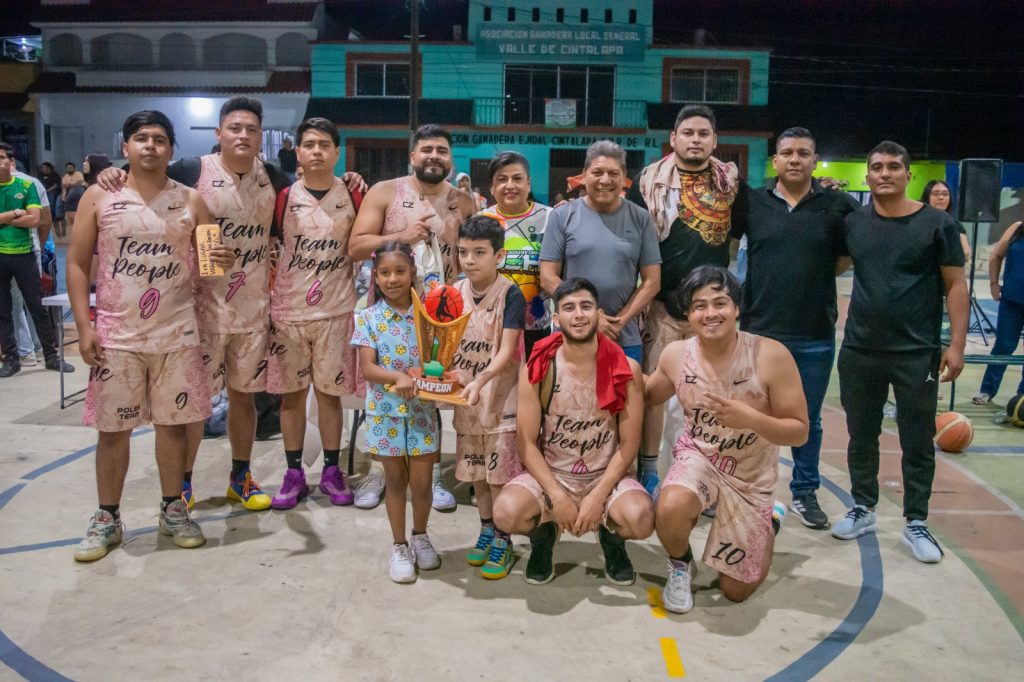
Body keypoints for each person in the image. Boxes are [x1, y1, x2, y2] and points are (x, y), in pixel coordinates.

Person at [67, 110, 235, 562]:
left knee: (174, 427)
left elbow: (210, 267)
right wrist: (84, 326)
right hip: (116, 335)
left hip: (177, 334)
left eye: (160, 139)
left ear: (171, 149)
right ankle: (107, 517)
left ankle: (173, 509)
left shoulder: (191, 200)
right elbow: (78, 264)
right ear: (125, 147)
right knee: (113, 431)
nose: (150, 146)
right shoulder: (100, 196)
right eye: (141, 138)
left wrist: (224, 258)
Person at [832, 141, 967, 564]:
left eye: (894, 166)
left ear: (908, 175)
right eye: (877, 167)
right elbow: (831, 266)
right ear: (867, 176)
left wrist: (957, 344)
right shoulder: (854, 223)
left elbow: (956, 284)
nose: (885, 173)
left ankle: (916, 521)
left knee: (917, 440)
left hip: (916, 352)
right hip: (860, 348)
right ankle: (863, 507)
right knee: (861, 434)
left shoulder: (937, 224)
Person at [646, 266, 808, 613]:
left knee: (734, 590)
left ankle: (768, 521)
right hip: (699, 458)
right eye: (699, 306)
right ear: (688, 314)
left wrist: (751, 418)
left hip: (750, 474)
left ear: (736, 308)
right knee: (670, 506)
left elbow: (799, 431)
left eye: (720, 303)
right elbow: (648, 393)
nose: (710, 313)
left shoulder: (771, 356)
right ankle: (680, 564)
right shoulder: (676, 355)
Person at [730, 127, 860, 530]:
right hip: (758, 330)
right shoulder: (752, 201)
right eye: (787, 152)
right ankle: (744, 487)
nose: (795, 159)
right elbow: (730, 246)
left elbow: (845, 258)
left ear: (814, 160)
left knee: (809, 419)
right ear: (775, 160)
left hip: (813, 332)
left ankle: (804, 491)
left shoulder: (838, 205)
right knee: (750, 414)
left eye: (804, 153)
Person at [493, 278, 654, 585]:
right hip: (554, 474)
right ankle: (544, 536)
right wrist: (557, 495)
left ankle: (611, 538)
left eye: (586, 306)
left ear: (599, 314)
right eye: (569, 308)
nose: (578, 314)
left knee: (642, 518)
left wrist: (597, 496)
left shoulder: (626, 368)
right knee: (506, 513)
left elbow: (629, 446)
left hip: (605, 475)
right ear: (556, 318)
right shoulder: (539, 366)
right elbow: (526, 444)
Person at [348, 124, 475, 511]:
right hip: (390, 312)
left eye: (442, 150)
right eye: (427, 149)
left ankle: (431, 473)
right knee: (385, 391)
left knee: (431, 393)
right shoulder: (386, 191)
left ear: (451, 159)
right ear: (413, 156)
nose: (434, 156)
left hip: (440, 319)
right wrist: (401, 236)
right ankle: (378, 470)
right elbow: (355, 247)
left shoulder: (463, 201)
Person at [626, 104, 741, 495]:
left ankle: (705, 472)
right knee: (653, 394)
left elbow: (744, 233)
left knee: (712, 396)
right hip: (661, 308)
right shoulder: (647, 182)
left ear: (714, 140)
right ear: (673, 138)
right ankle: (649, 471)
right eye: (688, 133)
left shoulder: (730, 182)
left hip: (711, 314)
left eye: (703, 133)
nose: (695, 139)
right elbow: (632, 239)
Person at [266, 117, 361, 510]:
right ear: (298, 152)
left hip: (336, 312)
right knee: (291, 399)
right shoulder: (283, 197)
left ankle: (332, 471)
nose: (317, 151)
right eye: (309, 144)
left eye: (324, 145)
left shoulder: (353, 194)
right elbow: (268, 248)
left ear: (337, 152)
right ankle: (294, 474)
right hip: (288, 313)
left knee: (330, 397)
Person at [351, 241, 441, 583]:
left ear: (413, 272)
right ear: (375, 276)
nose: (393, 279)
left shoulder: (427, 316)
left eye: (400, 271)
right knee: (395, 482)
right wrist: (397, 377)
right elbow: (368, 369)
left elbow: (438, 360)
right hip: (385, 414)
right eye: (385, 273)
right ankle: (399, 545)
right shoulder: (369, 318)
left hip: (422, 412)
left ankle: (420, 536)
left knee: (422, 483)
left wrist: (442, 377)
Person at [539, 139, 661, 367]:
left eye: (613, 173)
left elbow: (652, 281)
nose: (605, 180)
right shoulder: (562, 216)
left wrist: (620, 320)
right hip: (571, 336)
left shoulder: (641, 218)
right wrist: (591, 318)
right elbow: (547, 277)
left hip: (622, 336)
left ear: (624, 177)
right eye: (597, 172)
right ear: (584, 175)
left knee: (627, 391)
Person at [450, 215, 526, 578]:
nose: (469, 260)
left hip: (499, 399)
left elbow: (507, 350)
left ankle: (503, 538)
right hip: (465, 399)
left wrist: (480, 381)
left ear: (498, 256)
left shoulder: (511, 294)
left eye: (479, 252)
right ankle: (485, 529)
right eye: (463, 251)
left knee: (499, 476)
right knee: (477, 473)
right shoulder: (452, 292)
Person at [0, 142, 71, 378]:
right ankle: (12, 359)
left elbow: (35, 219)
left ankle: (51, 356)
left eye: (2, 157)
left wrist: (4, 218)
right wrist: (15, 213)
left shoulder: (27, 185)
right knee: (4, 310)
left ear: (11, 162)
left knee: (37, 307)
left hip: (25, 254)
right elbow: (26, 217)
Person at [486, 151, 553, 357]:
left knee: (534, 377)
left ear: (529, 184)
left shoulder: (551, 218)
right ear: (492, 187)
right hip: (492, 326)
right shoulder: (482, 221)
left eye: (517, 178)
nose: (510, 185)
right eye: (502, 179)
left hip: (536, 327)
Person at [974, 220, 1024, 405]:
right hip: (1011, 301)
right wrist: (993, 283)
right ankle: (987, 390)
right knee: (1003, 345)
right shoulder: (1017, 228)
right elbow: (996, 255)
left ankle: (1021, 397)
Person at [921, 180, 971, 264]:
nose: (941, 197)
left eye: (945, 194)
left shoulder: (954, 223)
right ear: (927, 197)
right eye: (935, 194)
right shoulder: (918, 220)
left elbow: (966, 253)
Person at [61, 161, 86, 233]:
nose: (69, 169)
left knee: (77, 190)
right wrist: (63, 197)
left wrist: (71, 185)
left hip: (80, 189)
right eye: (68, 168)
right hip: (70, 192)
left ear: (74, 168)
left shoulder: (78, 173)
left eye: (71, 168)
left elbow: (80, 182)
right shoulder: (64, 177)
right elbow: (65, 187)